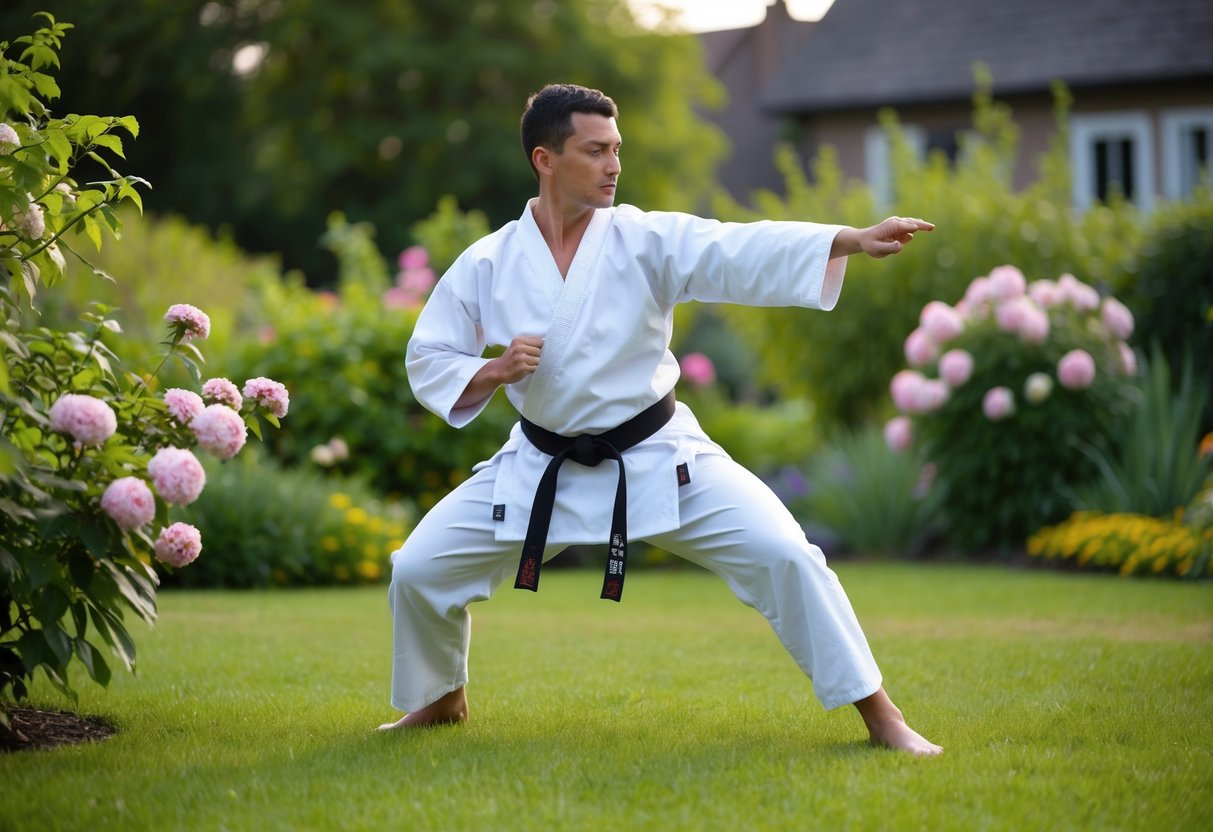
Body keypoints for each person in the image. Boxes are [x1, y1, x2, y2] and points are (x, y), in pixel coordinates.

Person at [378, 83, 942, 756]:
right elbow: (430, 351)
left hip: (659, 458)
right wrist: (493, 370)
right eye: (595, 151)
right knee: (418, 570)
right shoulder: (490, 261)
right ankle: (441, 700)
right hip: (540, 465)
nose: (614, 165)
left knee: (787, 555)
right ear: (545, 158)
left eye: (617, 149)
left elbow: (735, 250)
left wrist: (847, 239)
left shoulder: (645, 239)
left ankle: (883, 717)